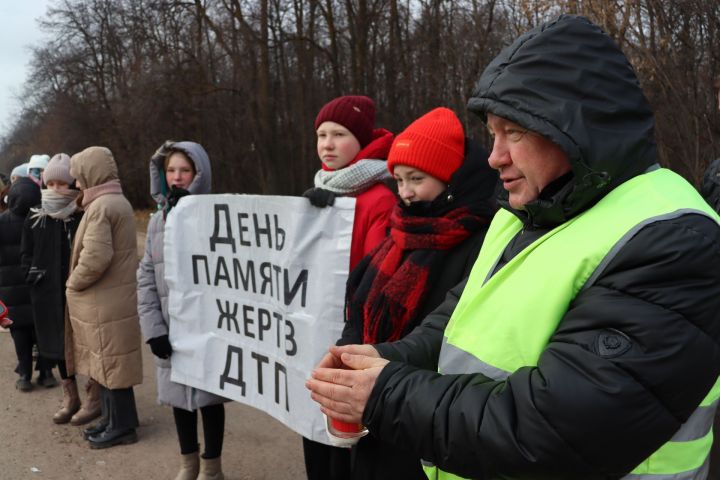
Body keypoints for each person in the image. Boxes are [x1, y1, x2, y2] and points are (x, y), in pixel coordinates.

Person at [306, 15, 720, 480]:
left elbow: (554, 434)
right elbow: (455, 323)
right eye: (493, 132)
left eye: (514, 132)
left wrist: (383, 392)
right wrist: (385, 358)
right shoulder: (527, 210)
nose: (493, 156)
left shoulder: (673, 237)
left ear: (576, 128)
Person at [337, 107, 497, 479]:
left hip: (425, 414)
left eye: (417, 179)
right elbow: (358, 306)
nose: (406, 193)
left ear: (449, 178)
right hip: (373, 406)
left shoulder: (479, 239)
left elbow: (449, 331)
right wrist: (348, 356)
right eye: (399, 180)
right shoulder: (400, 231)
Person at [302, 95, 396, 480]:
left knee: (342, 443)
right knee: (311, 429)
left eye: (338, 134)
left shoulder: (380, 197)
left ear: (361, 140)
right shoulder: (321, 188)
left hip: (348, 334)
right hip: (313, 330)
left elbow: (375, 273)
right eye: (321, 134)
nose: (326, 143)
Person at [138, 140, 228, 480]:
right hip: (170, 327)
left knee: (209, 399)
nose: (177, 177)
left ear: (198, 175)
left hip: (206, 327)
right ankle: (188, 464)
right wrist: (154, 330)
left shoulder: (216, 214)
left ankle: (212, 466)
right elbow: (146, 277)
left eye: (185, 170)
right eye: (171, 170)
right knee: (180, 399)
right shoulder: (156, 221)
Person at [65, 146, 143, 449]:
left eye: (79, 177)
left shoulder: (101, 207)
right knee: (109, 367)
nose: (76, 184)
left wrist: (73, 283)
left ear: (91, 173)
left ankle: (122, 427)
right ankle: (112, 421)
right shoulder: (112, 202)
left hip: (105, 302)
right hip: (110, 301)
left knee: (112, 367)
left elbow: (96, 258)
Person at [21, 153, 90, 424]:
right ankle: (71, 397)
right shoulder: (36, 216)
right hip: (47, 293)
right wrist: (32, 274)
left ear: (73, 184)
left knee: (87, 344)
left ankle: (94, 396)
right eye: (51, 184)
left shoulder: (82, 215)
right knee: (59, 346)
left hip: (80, 291)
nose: (56, 189)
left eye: (63, 184)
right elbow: (25, 253)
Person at [0, 175, 56, 390]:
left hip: (10, 291)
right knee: (42, 331)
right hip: (39, 286)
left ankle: (24, 374)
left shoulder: (2, 222)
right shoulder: (43, 220)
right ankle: (46, 372)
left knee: (19, 335)